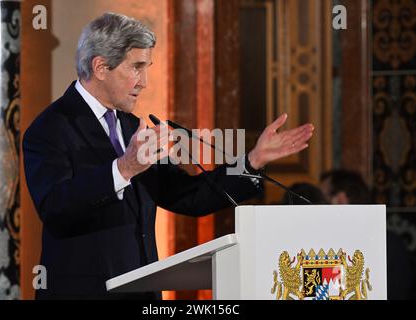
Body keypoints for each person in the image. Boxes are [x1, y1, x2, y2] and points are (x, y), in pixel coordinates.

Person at [23, 12, 314, 299]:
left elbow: (187, 195)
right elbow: (55, 208)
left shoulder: (130, 125)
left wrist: (252, 161)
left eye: (147, 67)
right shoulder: (50, 127)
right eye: (136, 67)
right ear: (100, 67)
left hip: (143, 296)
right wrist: (123, 169)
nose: (144, 81)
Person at [320, 169, 415, 300]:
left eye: (323, 199)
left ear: (340, 199)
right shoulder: (390, 243)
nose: (318, 207)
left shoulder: (388, 246)